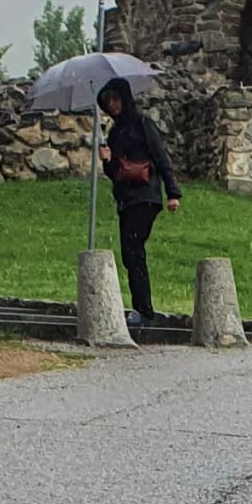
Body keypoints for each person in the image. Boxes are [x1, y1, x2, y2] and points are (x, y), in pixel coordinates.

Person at [97, 76, 180, 326]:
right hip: (126, 199)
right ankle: (142, 309)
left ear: (124, 97)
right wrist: (106, 159)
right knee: (129, 254)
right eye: (107, 102)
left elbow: (160, 157)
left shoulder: (143, 124)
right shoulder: (114, 133)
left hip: (146, 195)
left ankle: (144, 311)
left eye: (115, 99)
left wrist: (173, 193)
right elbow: (114, 173)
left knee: (134, 251)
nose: (112, 105)